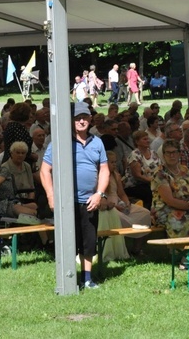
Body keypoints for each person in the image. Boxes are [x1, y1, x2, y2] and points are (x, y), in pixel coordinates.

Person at [39, 102, 110, 289]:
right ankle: (67, 278)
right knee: (68, 241)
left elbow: (104, 170)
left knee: (89, 242)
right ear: (70, 120)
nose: (81, 121)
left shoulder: (97, 142)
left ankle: (87, 278)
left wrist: (99, 194)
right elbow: (45, 170)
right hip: (67, 202)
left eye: (85, 117)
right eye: (77, 118)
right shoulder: (60, 142)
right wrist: (51, 196)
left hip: (90, 200)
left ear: (90, 119)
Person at [152, 139, 189, 265]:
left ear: (179, 153)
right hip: (166, 210)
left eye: (174, 152)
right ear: (163, 155)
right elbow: (169, 200)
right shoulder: (160, 173)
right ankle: (184, 258)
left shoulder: (184, 169)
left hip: (188, 207)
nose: (172, 155)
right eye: (168, 153)